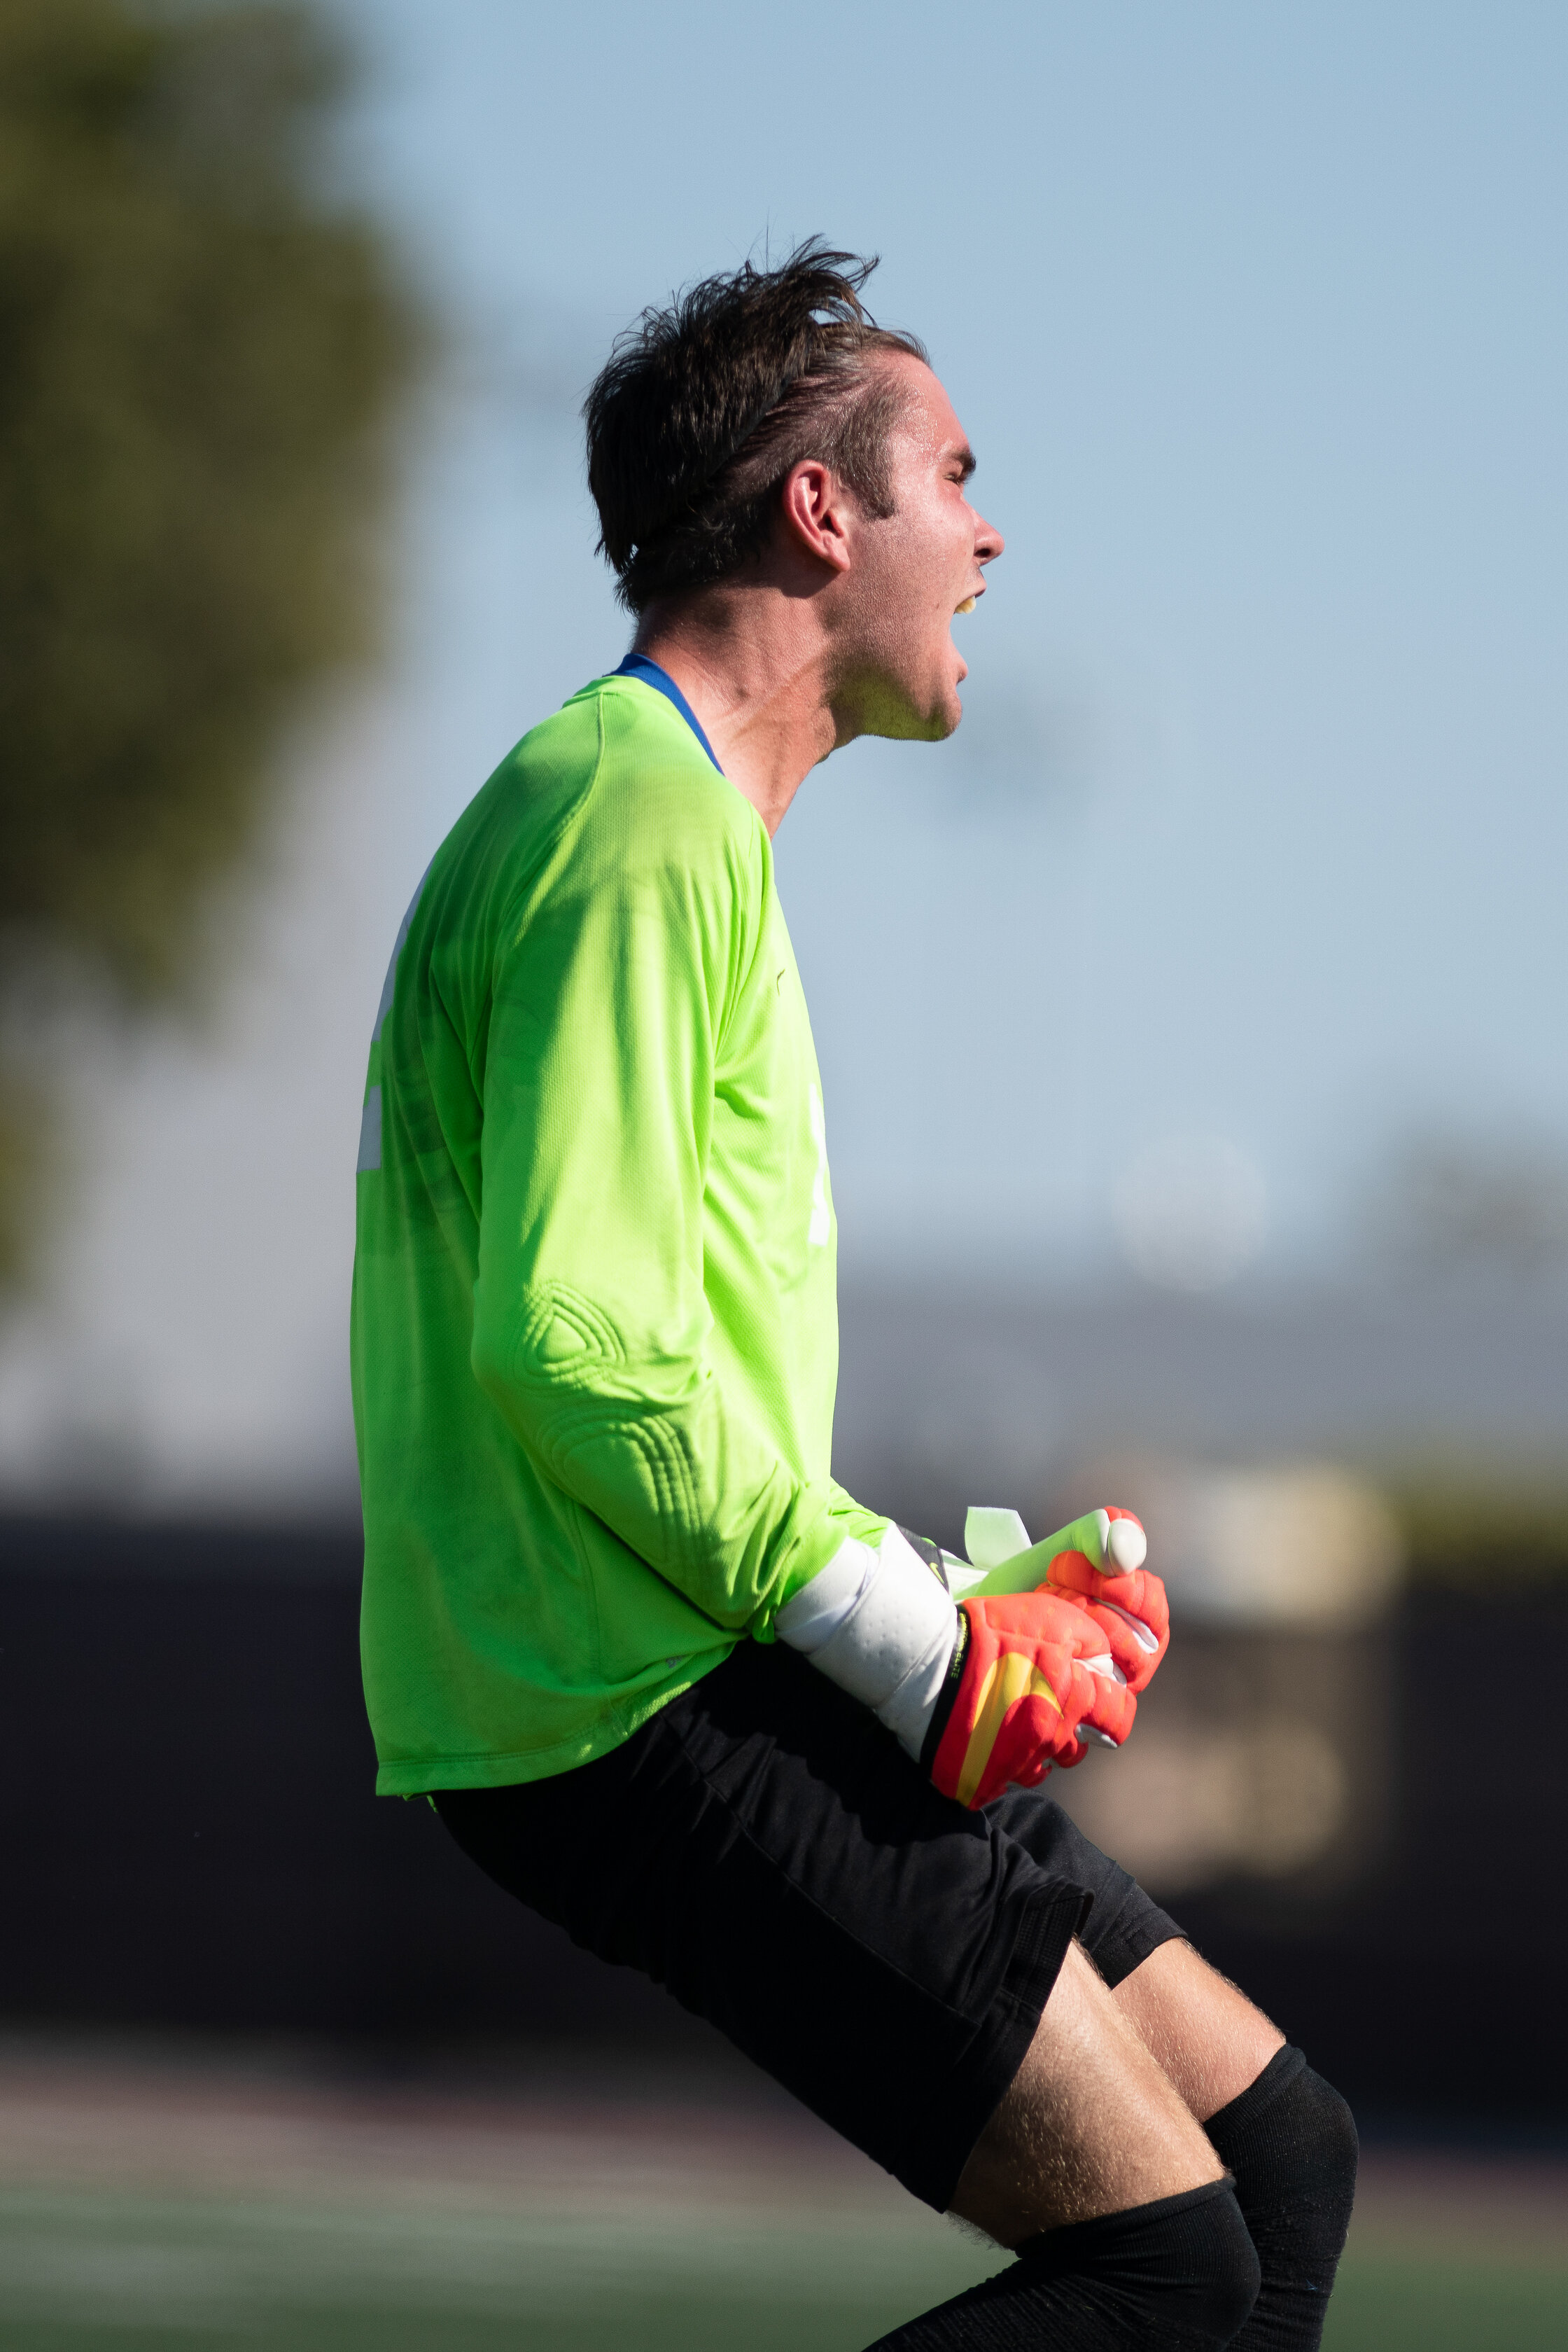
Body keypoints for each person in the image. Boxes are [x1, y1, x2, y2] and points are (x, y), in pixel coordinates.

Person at [351, 241, 1357, 2349]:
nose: (990, 536)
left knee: (1277, 2166)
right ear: (824, 513)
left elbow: (633, 1360)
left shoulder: (658, 822)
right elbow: (582, 1343)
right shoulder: (632, 817)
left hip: (669, 1653)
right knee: (1162, 2271)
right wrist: (916, 1647)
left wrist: (952, 1600)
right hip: (621, 1700)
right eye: (957, 477)